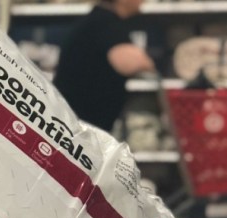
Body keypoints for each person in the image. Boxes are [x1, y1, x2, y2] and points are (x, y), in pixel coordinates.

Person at [53, 0, 156, 131]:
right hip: (79, 126)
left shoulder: (98, 20)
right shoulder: (105, 22)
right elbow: (130, 62)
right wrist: (149, 63)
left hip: (76, 122)